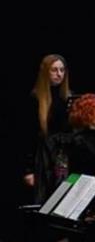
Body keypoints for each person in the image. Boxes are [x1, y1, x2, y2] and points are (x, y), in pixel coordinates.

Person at [20, 55, 72, 203]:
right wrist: (28, 170)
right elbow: (27, 136)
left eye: (62, 70)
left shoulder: (68, 97)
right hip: (42, 158)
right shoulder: (35, 98)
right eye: (54, 70)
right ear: (45, 72)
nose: (59, 74)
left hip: (63, 157)